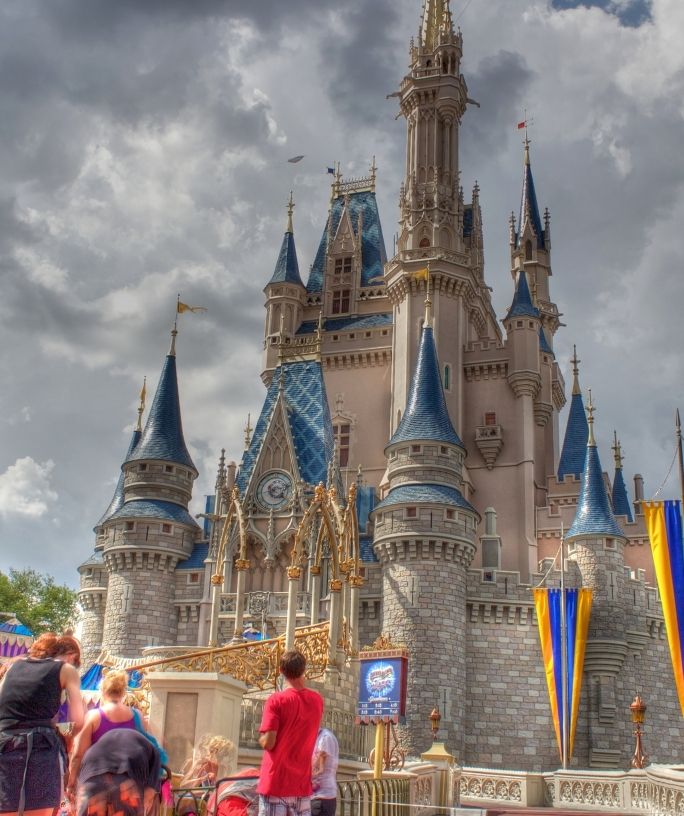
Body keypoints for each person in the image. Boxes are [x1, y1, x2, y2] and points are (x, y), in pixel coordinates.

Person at [0, 633, 85, 816]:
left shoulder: (12, 666)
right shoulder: (65, 669)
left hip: (4, 747)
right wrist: (68, 738)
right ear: (71, 656)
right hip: (40, 751)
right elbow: (79, 719)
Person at [257, 650, 323, 816]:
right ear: (304, 669)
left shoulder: (276, 700)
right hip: (301, 784)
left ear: (281, 671)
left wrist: (261, 740)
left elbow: (269, 743)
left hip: (276, 783)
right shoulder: (317, 701)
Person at [66, 669, 136, 797]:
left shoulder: (94, 717)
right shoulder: (138, 717)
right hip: (127, 785)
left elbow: (78, 754)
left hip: (96, 785)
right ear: (124, 692)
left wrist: (71, 783)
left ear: (102, 691)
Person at [71, 728, 161, 816]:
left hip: (90, 777)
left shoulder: (103, 743)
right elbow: (149, 794)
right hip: (125, 780)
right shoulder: (153, 755)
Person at [311, 728, 339, 816]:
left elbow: (319, 769)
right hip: (316, 797)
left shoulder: (325, 738)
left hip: (322, 798)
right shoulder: (317, 737)